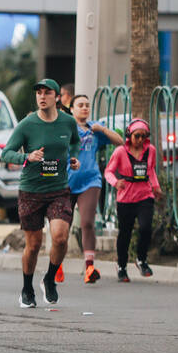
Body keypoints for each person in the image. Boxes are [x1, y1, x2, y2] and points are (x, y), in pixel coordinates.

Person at [0, 79, 81, 308]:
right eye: (38, 93)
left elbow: (74, 143)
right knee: (34, 245)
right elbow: (6, 153)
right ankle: (27, 288)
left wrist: (73, 159)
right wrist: (27, 157)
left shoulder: (67, 122)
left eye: (47, 93)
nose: (42, 96)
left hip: (59, 190)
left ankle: (49, 278)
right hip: (31, 191)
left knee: (60, 237)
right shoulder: (27, 124)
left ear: (57, 97)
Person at [67, 94, 123, 283]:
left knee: (87, 223)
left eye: (87, 105)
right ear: (71, 109)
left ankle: (90, 267)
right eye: (80, 105)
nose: (84, 108)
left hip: (90, 181)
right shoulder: (66, 128)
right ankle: (56, 266)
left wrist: (104, 129)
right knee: (62, 228)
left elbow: (120, 142)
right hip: (66, 182)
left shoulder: (95, 128)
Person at [103, 119, 162, 281]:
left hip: (145, 195)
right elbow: (108, 171)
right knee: (125, 233)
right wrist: (116, 182)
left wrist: (156, 187)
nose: (140, 140)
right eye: (137, 136)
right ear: (130, 135)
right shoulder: (120, 152)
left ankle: (141, 259)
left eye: (143, 137)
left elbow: (151, 171)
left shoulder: (150, 150)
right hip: (126, 198)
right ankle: (122, 266)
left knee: (145, 228)